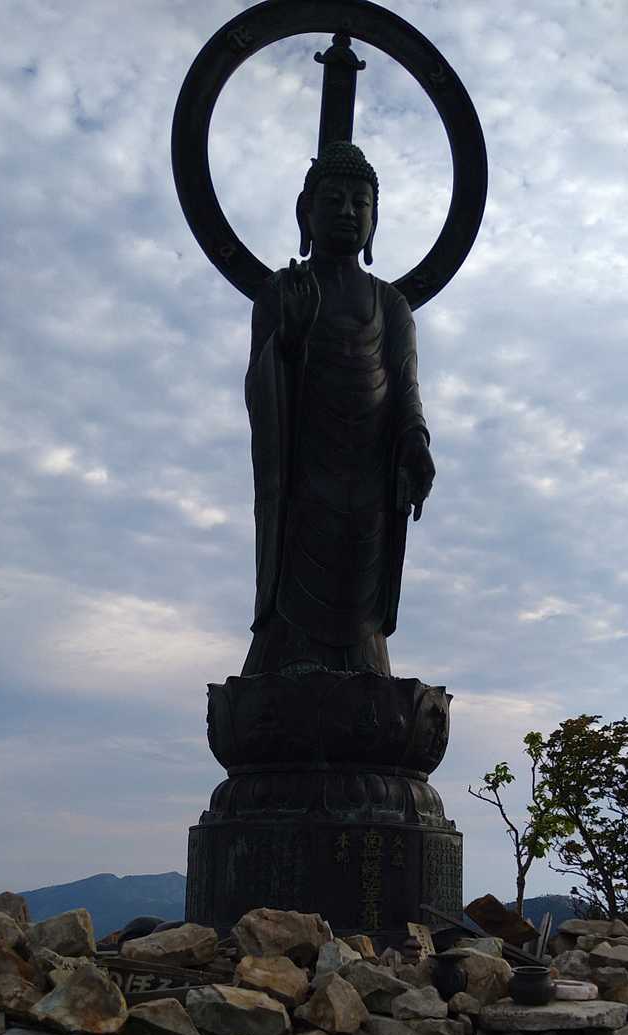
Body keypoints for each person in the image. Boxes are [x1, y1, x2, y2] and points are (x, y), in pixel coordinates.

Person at [241, 142, 435, 678]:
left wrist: (415, 441)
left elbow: (405, 384)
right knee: (300, 575)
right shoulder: (282, 291)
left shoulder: (390, 304)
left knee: (361, 590)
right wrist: (289, 339)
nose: (348, 212)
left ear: (376, 220)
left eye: (360, 202)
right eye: (333, 201)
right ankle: (289, 655)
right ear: (306, 213)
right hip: (305, 474)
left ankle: (367, 662)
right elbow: (260, 388)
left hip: (370, 476)